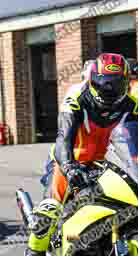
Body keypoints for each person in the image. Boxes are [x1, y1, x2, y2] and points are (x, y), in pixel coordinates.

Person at [10, 53, 138, 256]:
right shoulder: (76, 97)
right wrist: (70, 166)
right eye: (106, 84)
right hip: (68, 161)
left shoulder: (132, 105)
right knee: (48, 213)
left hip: (104, 164)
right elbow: (63, 137)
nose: (112, 89)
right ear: (94, 80)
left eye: (117, 83)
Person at [40, 60, 96, 188]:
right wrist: (68, 165)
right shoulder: (77, 92)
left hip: (98, 161)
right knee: (53, 203)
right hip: (69, 158)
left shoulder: (119, 100)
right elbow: (65, 132)